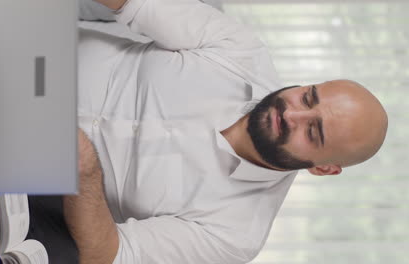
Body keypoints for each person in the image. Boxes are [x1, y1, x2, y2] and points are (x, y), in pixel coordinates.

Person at [27, 0, 388, 263]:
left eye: (313, 131)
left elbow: (110, 255)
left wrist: (85, 170)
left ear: (323, 168)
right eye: (308, 96)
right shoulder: (240, 50)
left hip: (17, 173)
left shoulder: (237, 234)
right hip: (21, 50)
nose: (291, 112)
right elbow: (132, 3)